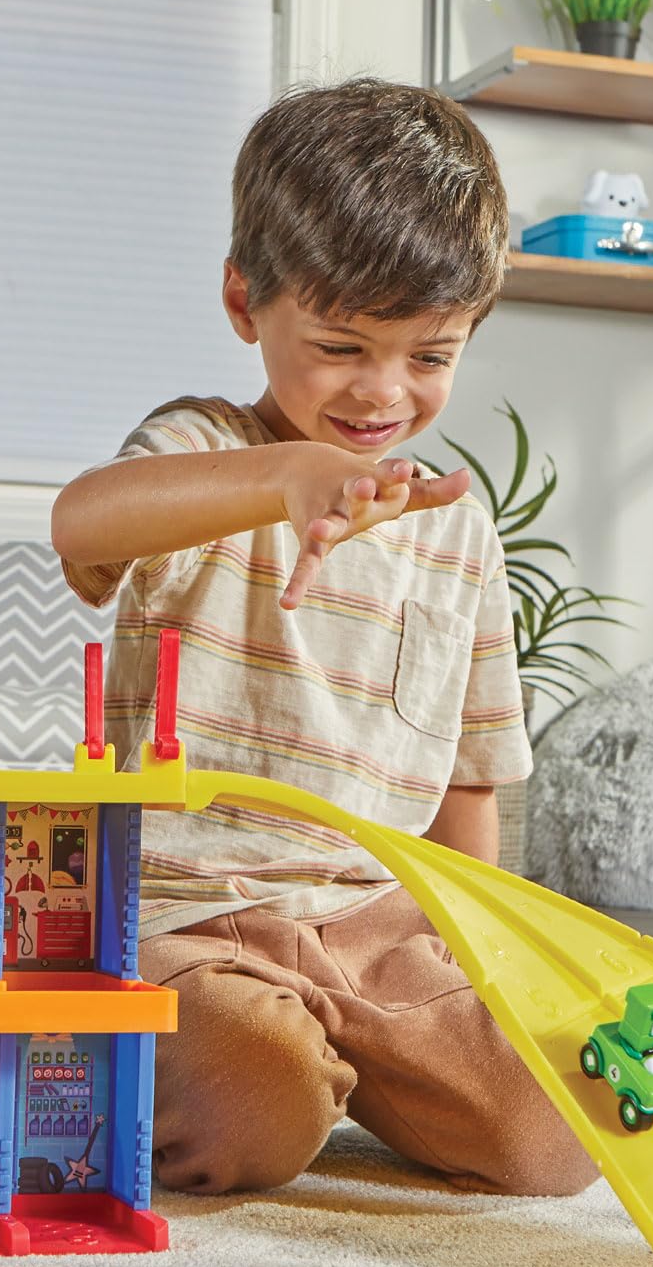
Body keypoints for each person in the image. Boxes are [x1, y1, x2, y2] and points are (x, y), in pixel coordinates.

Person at [51, 78, 596, 1198]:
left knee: (555, 1131)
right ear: (244, 299)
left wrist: (471, 955)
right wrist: (286, 476)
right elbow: (83, 522)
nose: (382, 391)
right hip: (179, 915)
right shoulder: (203, 448)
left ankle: (334, 1059)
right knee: (261, 1107)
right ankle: (256, 1068)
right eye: (342, 345)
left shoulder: (458, 528)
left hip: (365, 922)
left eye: (429, 355)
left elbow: (467, 777)